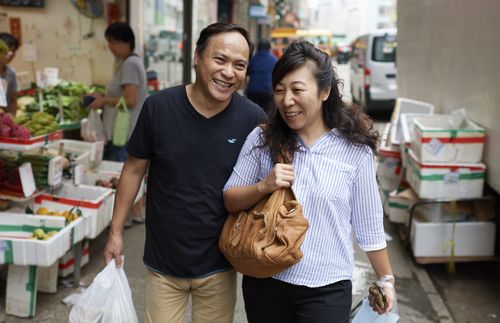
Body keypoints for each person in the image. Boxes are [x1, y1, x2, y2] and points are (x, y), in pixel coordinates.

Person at [103, 22, 266, 323]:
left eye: (239, 65)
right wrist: (115, 232)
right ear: (197, 57)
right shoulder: (159, 108)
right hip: (164, 263)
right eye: (220, 60)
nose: (229, 72)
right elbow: (133, 170)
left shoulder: (253, 119)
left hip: (220, 263)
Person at [223, 40, 396, 323]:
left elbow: (369, 225)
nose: (286, 100)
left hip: (327, 288)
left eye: (297, 90)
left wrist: (386, 279)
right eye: (279, 91)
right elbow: (229, 199)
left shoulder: (355, 151)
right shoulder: (262, 139)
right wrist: (264, 186)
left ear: (325, 91)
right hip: (266, 279)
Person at [88, 22, 148, 163]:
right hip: (127, 133)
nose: (110, 47)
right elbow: (123, 95)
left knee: (120, 177)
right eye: (109, 42)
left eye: (114, 43)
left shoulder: (129, 64)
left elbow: (130, 100)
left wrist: (103, 101)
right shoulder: (130, 62)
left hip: (124, 134)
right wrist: (103, 96)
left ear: (127, 42)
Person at [246, 39, 277, 114]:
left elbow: (246, 73)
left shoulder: (252, 59)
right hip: (267, 91)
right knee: (266, 112)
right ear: (269, 48)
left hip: (253, 91)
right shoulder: (274, 60)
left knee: (252, 112)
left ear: (257, 48)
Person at [0, 33, 20, 115]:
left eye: (13, 50)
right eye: (8, 49)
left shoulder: (11, 73)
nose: (10, 53)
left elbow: (12, 99)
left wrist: (12, 119)